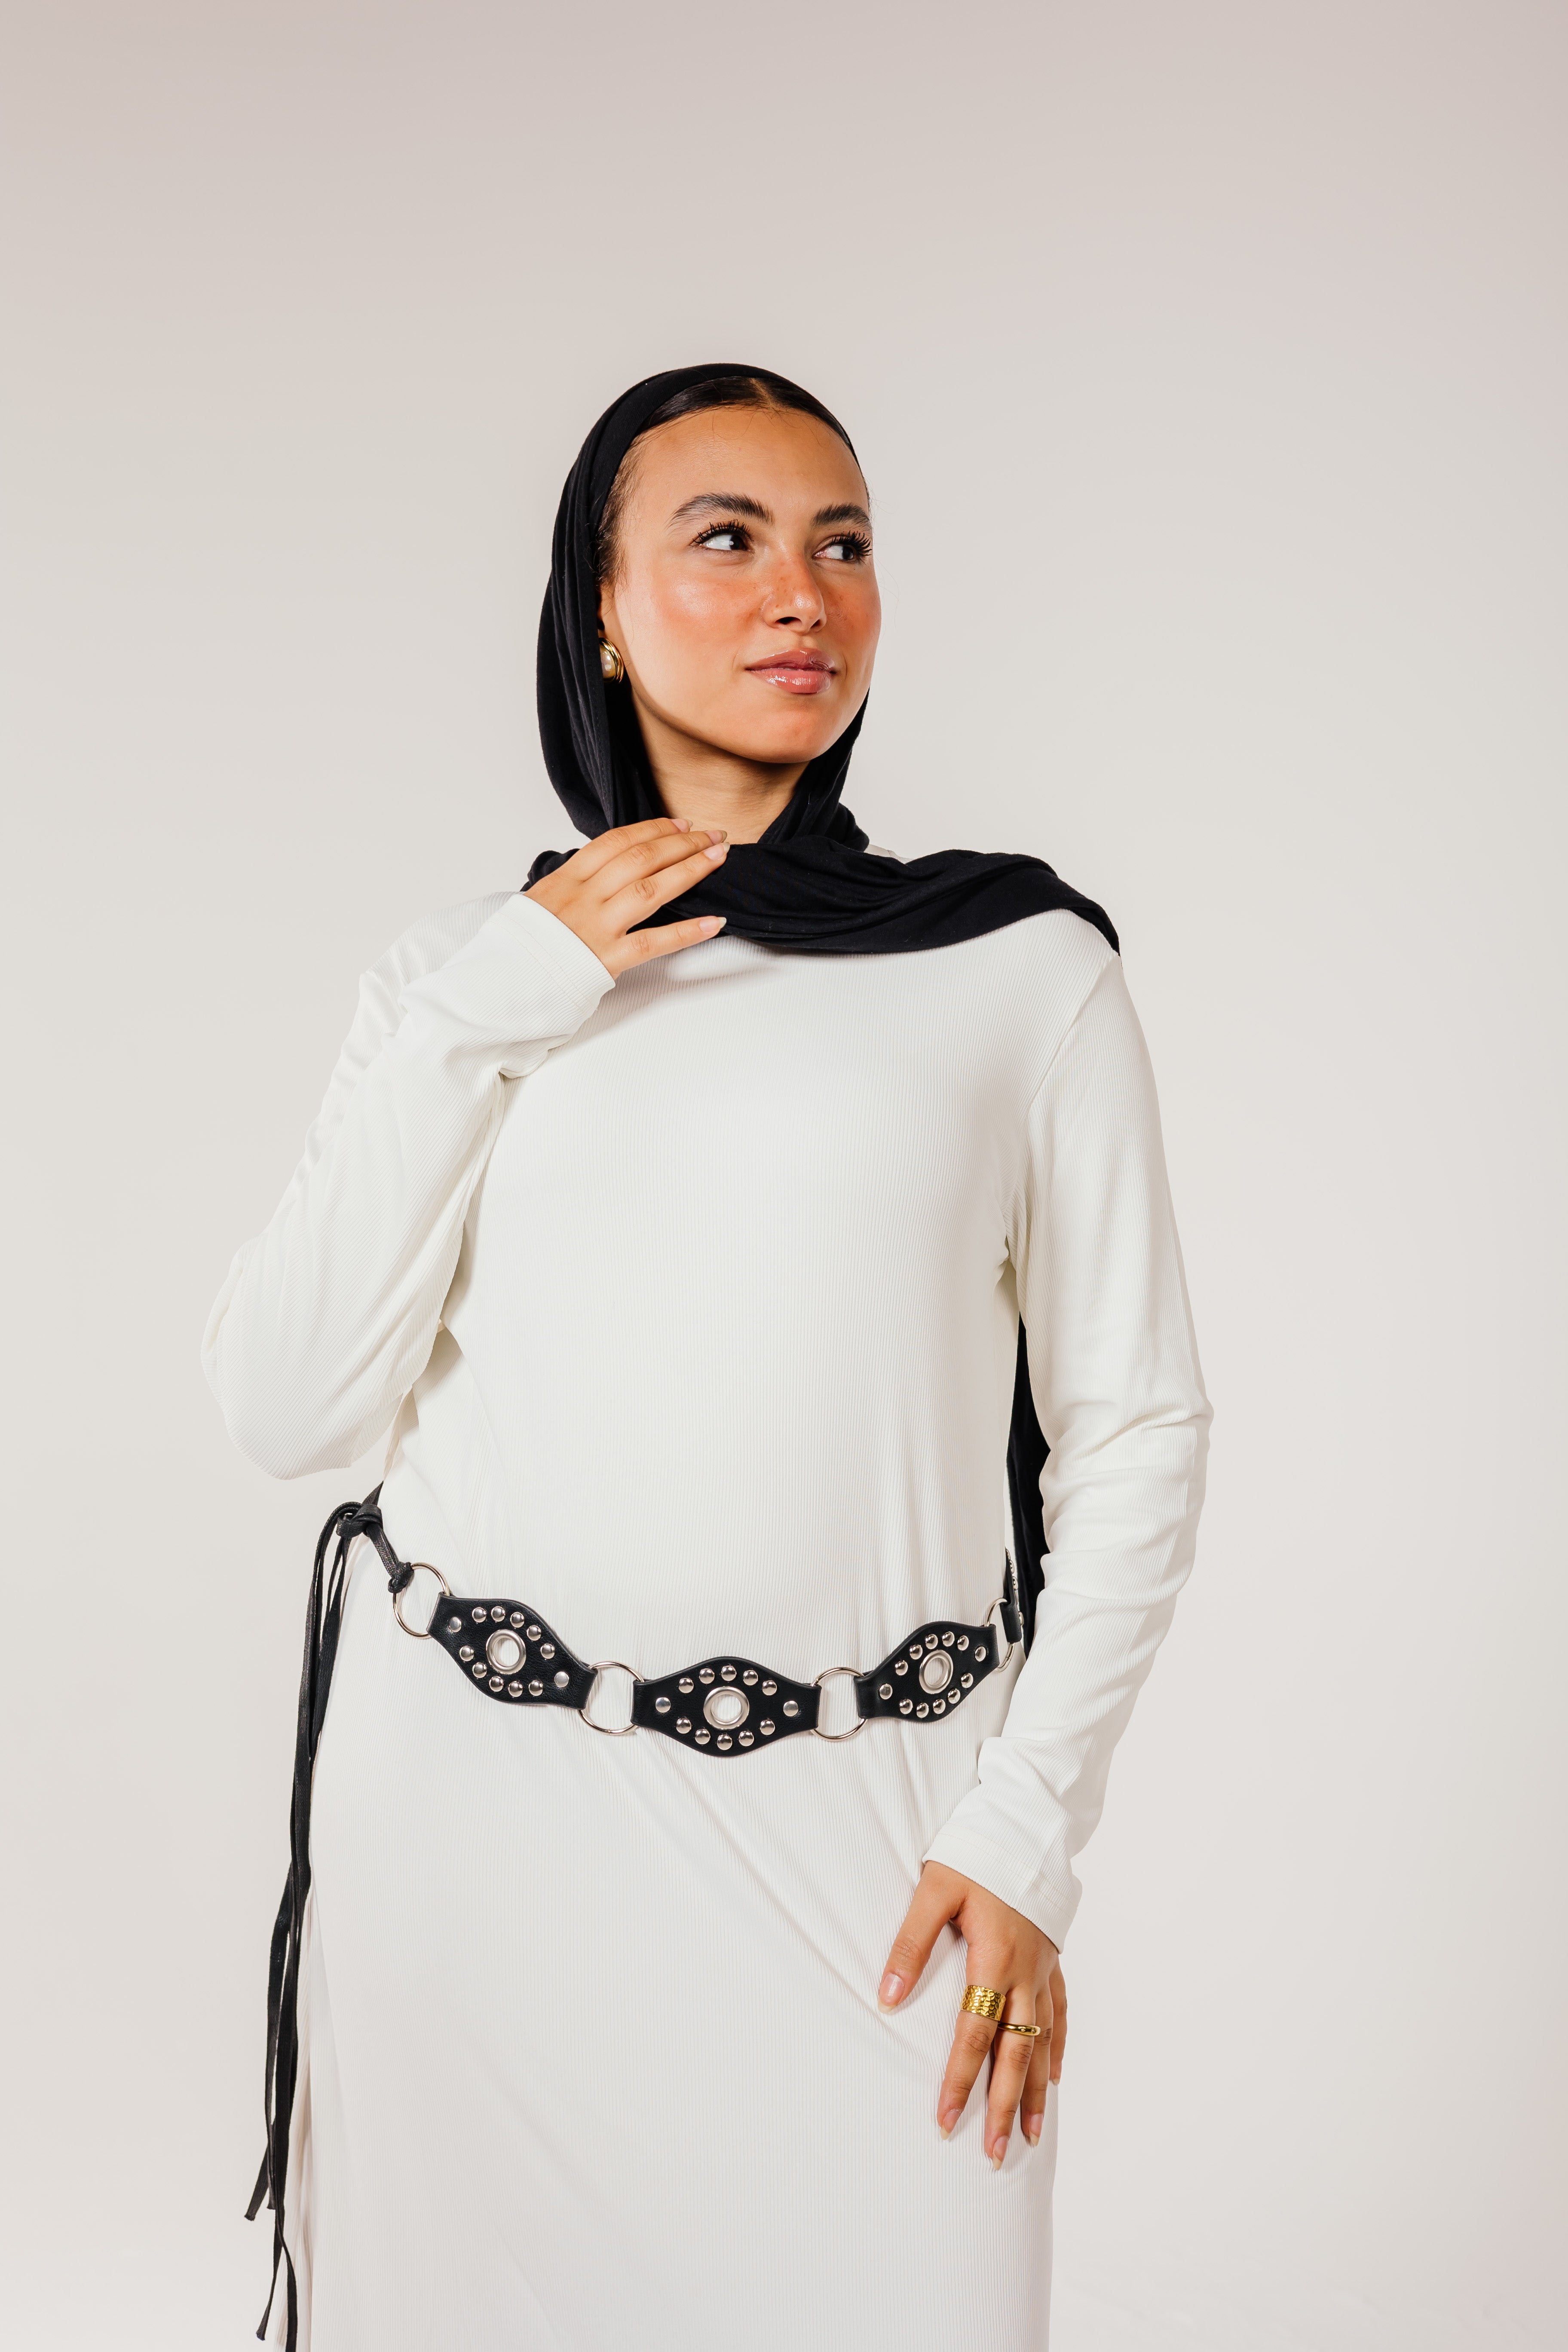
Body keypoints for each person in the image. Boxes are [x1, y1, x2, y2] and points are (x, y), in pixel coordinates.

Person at [205, 363, 1210, 2352]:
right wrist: (513, 989)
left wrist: (1026, 1832)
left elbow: (1137, 1432)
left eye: (843, 544)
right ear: (600, 607)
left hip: (872, 1858)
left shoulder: (1019, 969)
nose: (799, 595)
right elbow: (287, 1402)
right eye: (726, 540)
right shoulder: (459, 981)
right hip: (472, 1862)